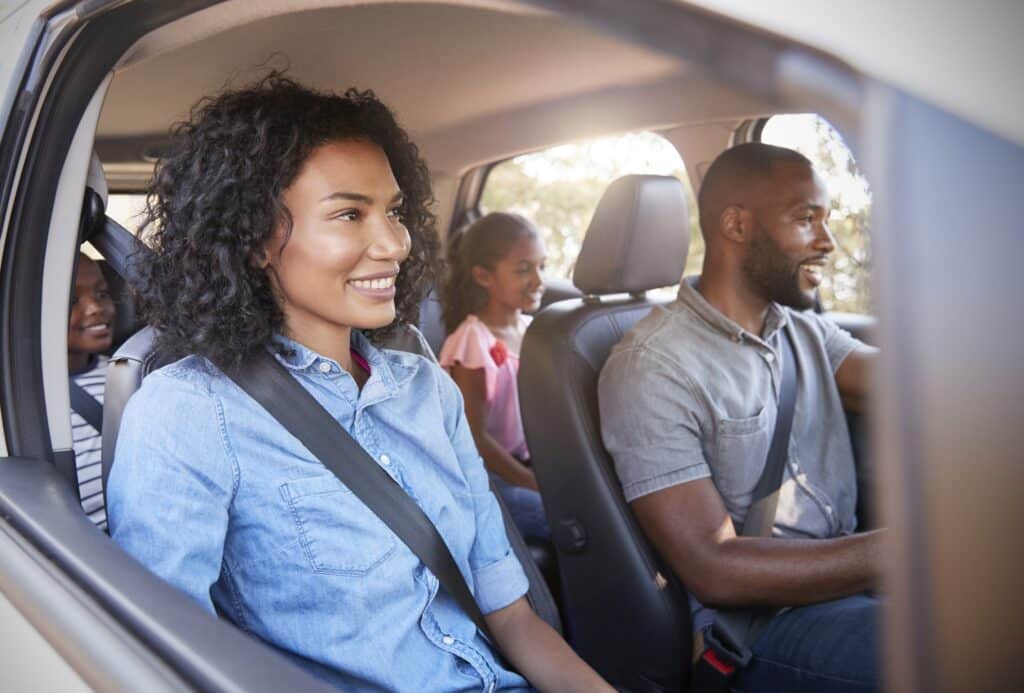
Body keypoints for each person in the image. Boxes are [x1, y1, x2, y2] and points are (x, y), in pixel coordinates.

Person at [107, 74, 610, 692]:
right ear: (257, 239)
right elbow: (162, 658)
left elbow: (510, 614)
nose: (394, 243)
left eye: (394, 212)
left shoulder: (427, 388)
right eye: (349, 214)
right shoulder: (190, 410)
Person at [598, 142, 882, 691]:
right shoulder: (652, 366)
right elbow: (716, 566)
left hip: (843, 584)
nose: (827, 242)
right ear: (736, 225)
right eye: (806, 219)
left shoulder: (803, 331)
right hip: (757, 630)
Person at [439, 212, 550, 541]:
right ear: (483, 276)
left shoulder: (533, 331)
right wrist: (531, 483)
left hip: (528, 463)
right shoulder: (472, 342)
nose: (539, 279)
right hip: (490, 477)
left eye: (542, 266)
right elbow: (475, 438)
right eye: (523, 269)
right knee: (561, 514)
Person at [68, 252, 116, 529]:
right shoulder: (20, 398)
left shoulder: (128, 373)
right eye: (72, 300)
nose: (95, 308)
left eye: (102, 293)